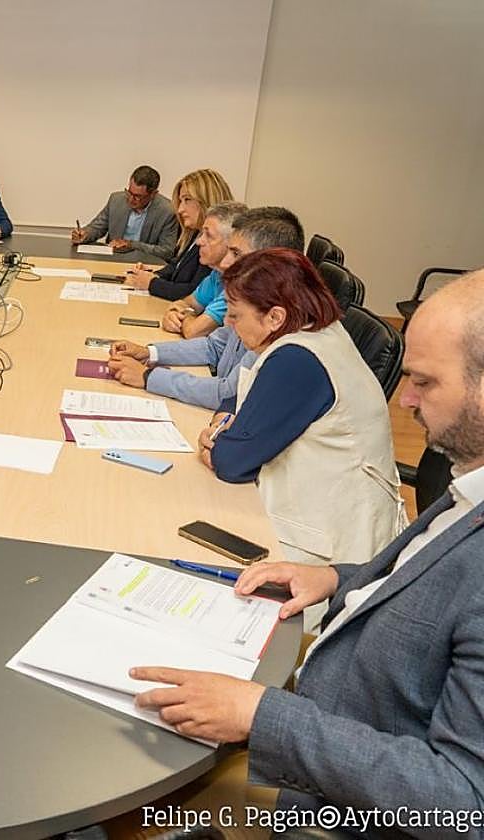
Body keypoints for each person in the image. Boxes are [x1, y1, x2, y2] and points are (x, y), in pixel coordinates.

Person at [131, 271, 484, 831]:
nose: (406, 400)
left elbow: (462, 805)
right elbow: (421, 577)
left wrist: (262, 716)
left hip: (327, 805)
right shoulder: (473, 483)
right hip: (331, 708)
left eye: (424, 382)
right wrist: (336, 578)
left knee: (129, 785)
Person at [201, 250, 405, 611]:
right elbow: (237, 397)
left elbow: (232, 462)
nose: (229, 324)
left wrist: (216, 441)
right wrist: (224, 423)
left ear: (275, 316)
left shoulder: (298, 359)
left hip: (330, 554)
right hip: (328, 519)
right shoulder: (316, 332)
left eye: (236, 315)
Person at [108, 207, 305, 411]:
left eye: (236, 253)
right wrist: (149, 352)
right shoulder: (250, 299)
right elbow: (213, 347)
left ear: (271, 263)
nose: (226, 261)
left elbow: (226, 394)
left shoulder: (273, 319)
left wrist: (147, 376)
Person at [125, 168, 234, 301]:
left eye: (187, 200)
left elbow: (195, 291)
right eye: (181, 201)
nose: (180, 209)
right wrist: (152, 275)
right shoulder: (195, 233)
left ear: (206, 200)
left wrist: (152, 283)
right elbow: (176, 266)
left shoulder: (216, 244)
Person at [158, 201, 246, 338]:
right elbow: (186, 302)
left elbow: (193, 331)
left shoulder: (239, 284)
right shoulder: (216, 274)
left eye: (208, 235)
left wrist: (184, 315)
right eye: (201, 234)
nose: (199, 242)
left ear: (230, 243)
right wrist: (173, 313)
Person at [70, 165, 179, 259]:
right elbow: (97, 227)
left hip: (145, 264)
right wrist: (84, 234)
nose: (131, 199)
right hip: (113, 259)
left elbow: (166, 251)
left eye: (137, 196)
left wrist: (131, 244)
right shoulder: (116, 200)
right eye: (129, 192)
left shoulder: (167, 212)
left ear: (153, 194)